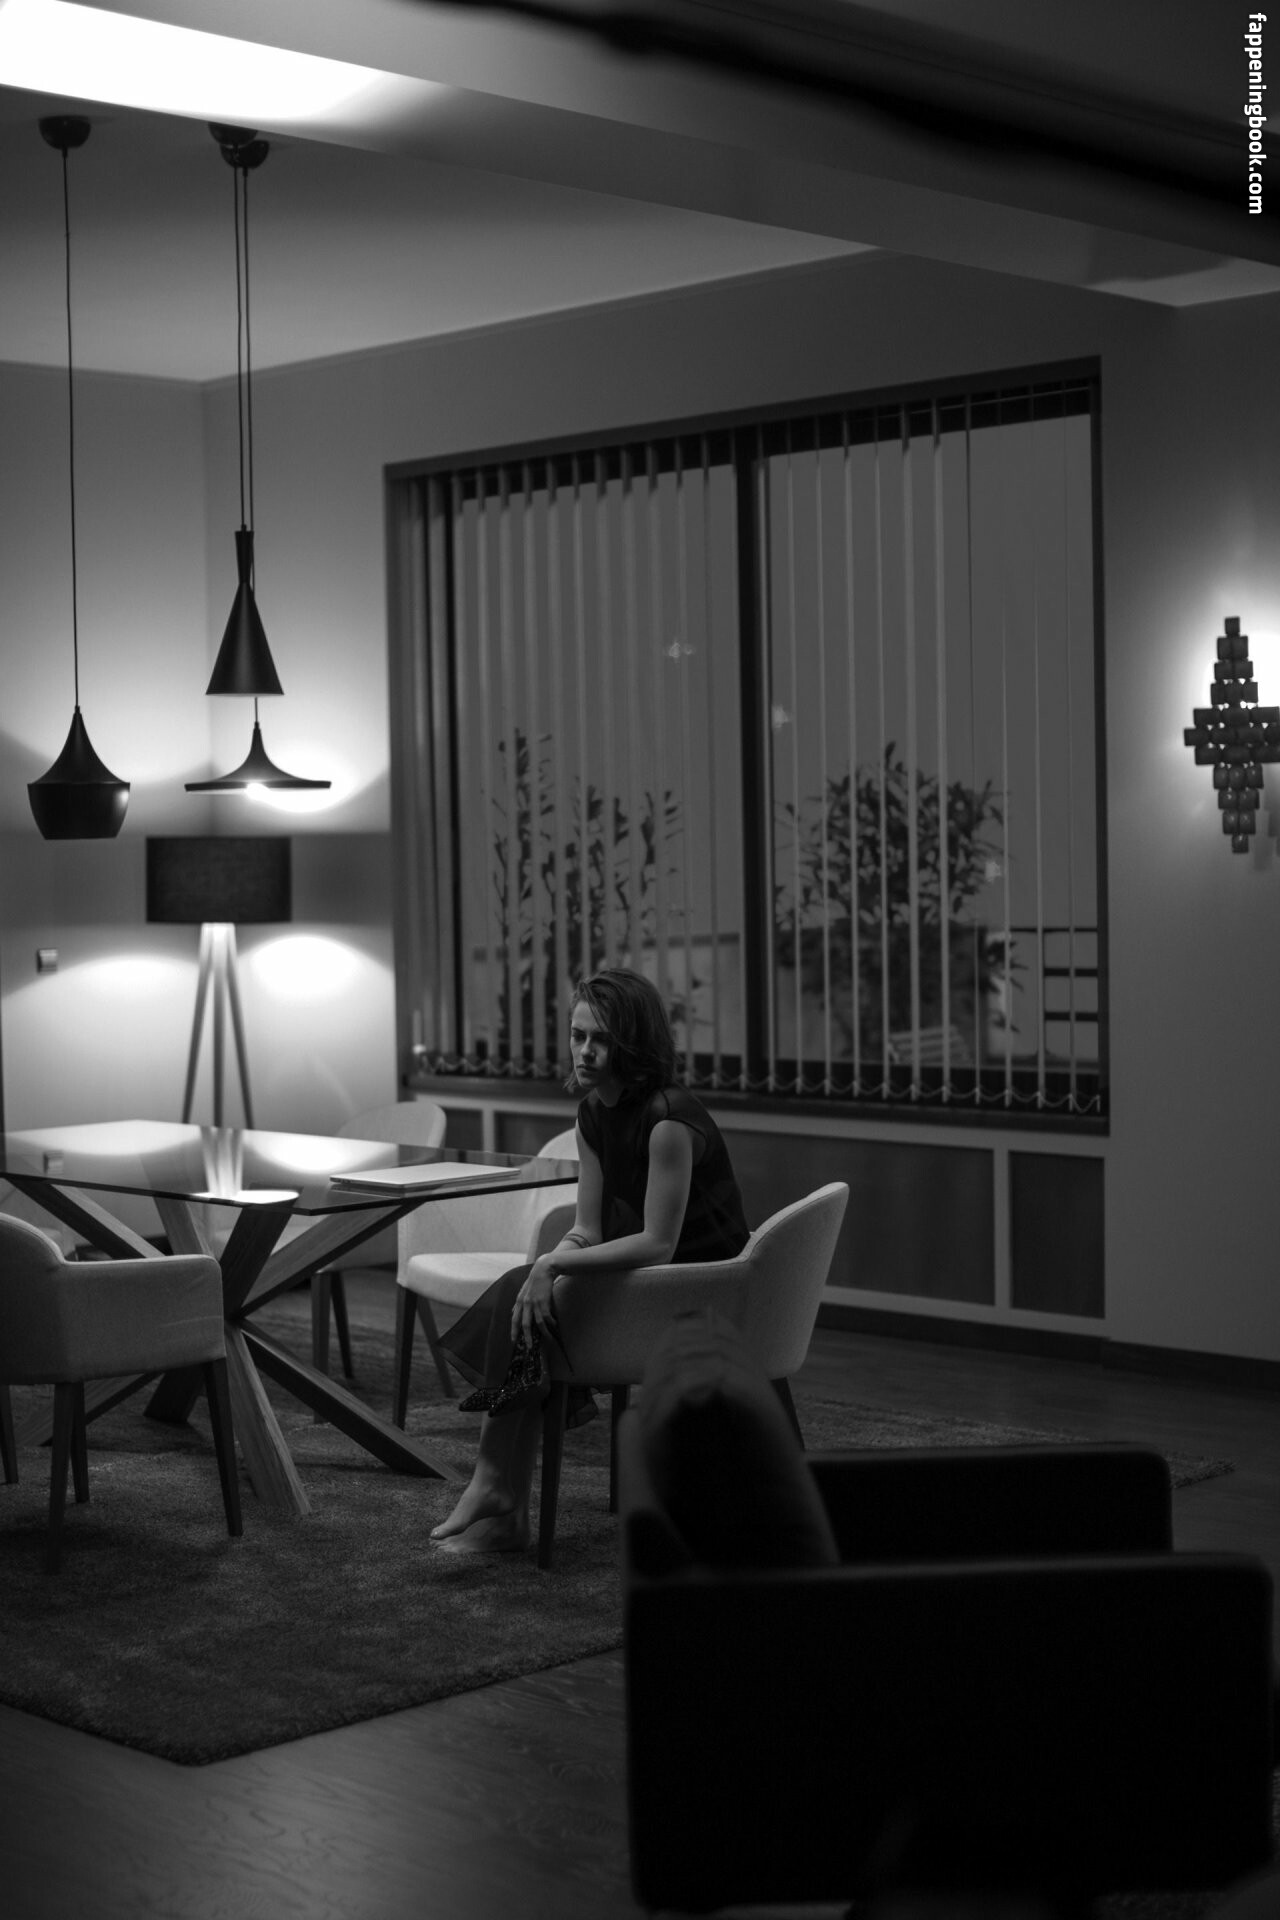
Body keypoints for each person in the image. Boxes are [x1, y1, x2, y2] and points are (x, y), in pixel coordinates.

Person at [430, 966, 749, 1554]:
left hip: (699, 1289)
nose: (585, 1052)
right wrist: (550, 1264)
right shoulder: (592, 1116)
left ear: (634, 1044)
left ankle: (498, 1496)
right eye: (578, 1036)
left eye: (601, 1039)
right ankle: (497, 1495)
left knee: (532, 1302)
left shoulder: (668, 1120)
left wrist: (551, 1267)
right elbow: (586, 1228)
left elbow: (659, 1243)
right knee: (526, 1304)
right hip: (648, 1276)